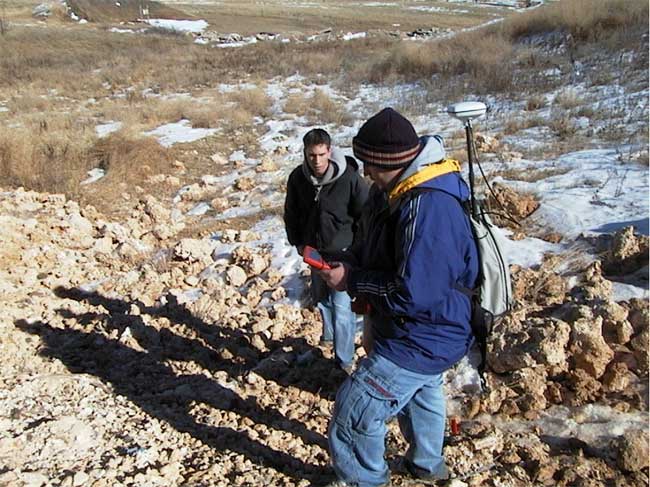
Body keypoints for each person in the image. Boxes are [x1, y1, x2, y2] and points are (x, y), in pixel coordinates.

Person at [319, 108, 479, 487]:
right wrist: (347, 262)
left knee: (354, 414)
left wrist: (352, 282)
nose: (367, 173)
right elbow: (375, 249)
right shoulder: (393, 191)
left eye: (372, 164)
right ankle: (427, 466)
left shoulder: (429, 207)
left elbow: (415, 293)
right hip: (420, 329)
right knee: (422, 393)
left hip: (426, 334)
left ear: (394, 161)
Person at [284, 128, 369, 372]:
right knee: (322, 301)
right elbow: (291, 213)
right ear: (305, 154)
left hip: (344, 253)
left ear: (329, 151)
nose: (317, 161)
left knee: (342, 307)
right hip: (315, 253)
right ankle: (328, 340)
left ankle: (344, 362)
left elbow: (366, 215)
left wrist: (358, 251)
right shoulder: (298, 179)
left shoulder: (349, 178)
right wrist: (298, 242)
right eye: (312, 155)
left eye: (321, 154)